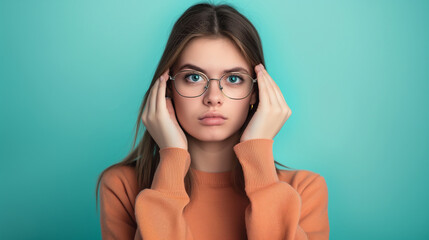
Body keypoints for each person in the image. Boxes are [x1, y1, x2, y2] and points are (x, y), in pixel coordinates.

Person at [95, 2, 329, 240]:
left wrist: (258, 154)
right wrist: (172, 158)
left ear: (257, 92)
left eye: (234, 79)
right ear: (167, 89)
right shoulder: (122, 187)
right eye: (194, 77)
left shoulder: (305, 190)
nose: (213, 98)